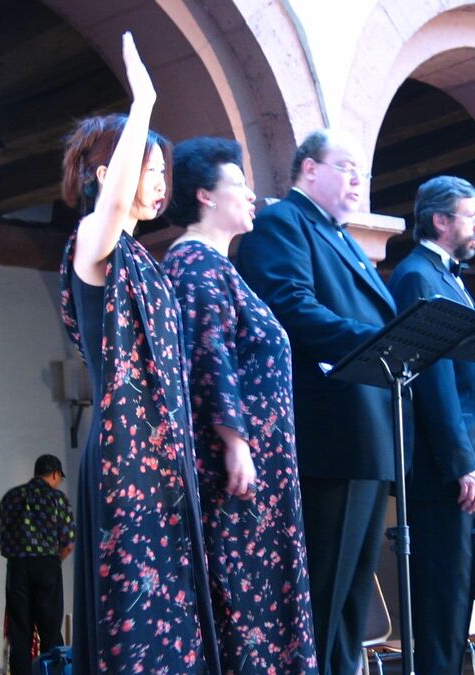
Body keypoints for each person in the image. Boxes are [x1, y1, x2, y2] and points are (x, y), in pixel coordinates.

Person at [58, 33, 219, 674]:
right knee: (138, 618)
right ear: (110, 175)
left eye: (161, 172)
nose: (160, 184)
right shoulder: (92, 242)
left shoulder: (144, 260)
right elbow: (111, 208)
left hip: (163, 453)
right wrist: (144, 102)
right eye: (148, 170)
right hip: (125, 453)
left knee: (175, 619)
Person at [236, 129, 397, 675]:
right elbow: (290, 306)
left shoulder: (342, 237)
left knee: (353, 599)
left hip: (368, 434)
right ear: (308, 168)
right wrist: (379, 343)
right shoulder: (283, 222)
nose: (358, 180)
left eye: (362, 172)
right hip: (331, 434)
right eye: (346, 167)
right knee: (324, 595)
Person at [162, 136, 318, 673]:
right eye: (239, 183)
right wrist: (236, 444)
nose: (253, 195)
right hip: (235, 473)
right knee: (245, 606)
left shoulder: (216, 265)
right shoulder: (195, 264)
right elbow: (210, 357)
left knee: (260, 605)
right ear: (204, 195)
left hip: (257, 468)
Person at [387, 176, 475, 674]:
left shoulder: (447, 276)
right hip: (439, 467)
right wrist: (461, 462)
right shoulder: (417, 276)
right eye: (471, 217)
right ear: (440, 221)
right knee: (441, 601)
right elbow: (433, 374)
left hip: (461, 458)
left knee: (456, 600)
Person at [0, 455, 74, 675]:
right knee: (50, 632)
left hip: (17, 568)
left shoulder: (11, 497)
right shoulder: (57, 499)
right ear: (55, 474)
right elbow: (68, 543)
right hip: (47, 566)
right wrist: (52, 561)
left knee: (19, 634)